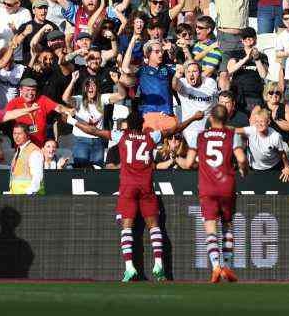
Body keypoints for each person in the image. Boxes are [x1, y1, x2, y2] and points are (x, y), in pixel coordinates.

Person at [69, 106, 203, 282]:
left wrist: (71, 120)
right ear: (142, 125)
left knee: (127, 227)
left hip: (128, 187)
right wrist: (193, 117)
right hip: (146, 185)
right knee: (154, 226)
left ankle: (129, 267)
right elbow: (175, 129)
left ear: (128, 126)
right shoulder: (151, 136)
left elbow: (93, 130)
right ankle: (158, 265)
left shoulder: (121, 136)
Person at [194, 104, 246, 283]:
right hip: (226, 185)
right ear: (227, 119)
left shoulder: (200, 137)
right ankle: (228, 267)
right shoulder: (233, 136)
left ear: (210, 118)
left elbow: (188, 162)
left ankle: (216, 266)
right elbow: (241, 158)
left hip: (207, 186)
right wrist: (244, 170)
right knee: (227, 225)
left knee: (210, 227)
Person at [7, 123, 45, 194]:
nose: (16, 137)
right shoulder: (19, 151)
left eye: (19, 134)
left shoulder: (34, 151)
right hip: (18, 196)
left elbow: (38, 176)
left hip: (28, 198)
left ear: (27, 135)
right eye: (14, 133)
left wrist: (30, 193)